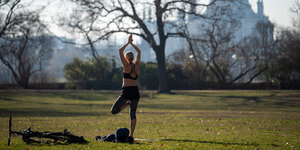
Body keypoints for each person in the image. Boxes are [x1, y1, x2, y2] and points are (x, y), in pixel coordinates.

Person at [111, 34, 141, 138]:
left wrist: (128, 43)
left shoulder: (126, 66)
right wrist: (132, 44)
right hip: (135, 92)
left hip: (126, 92)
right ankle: (131, 135)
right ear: (133, 57)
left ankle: (126, 104)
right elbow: (139, 52)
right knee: (133, 114)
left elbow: (120, 51)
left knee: (113, 111)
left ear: (126, 58)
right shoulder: (136, 66)